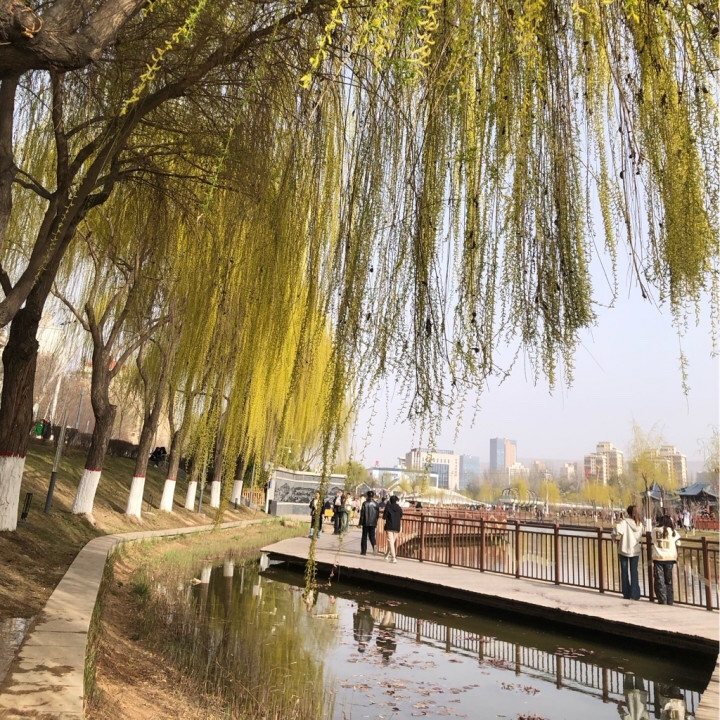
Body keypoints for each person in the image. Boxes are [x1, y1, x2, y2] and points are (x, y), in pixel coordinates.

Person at [615, 505, 644, 600]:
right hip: (635, 550)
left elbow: (616, 530)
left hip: (624, 549)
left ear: (628, 513)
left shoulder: (625, 522)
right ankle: (635, 594)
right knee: (634, 571)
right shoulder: (639, 524)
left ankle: (626, 593)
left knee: (624, 571)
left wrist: (614, 538)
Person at [651, 514, 681, 605]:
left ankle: (662, 600)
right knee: (668, 580)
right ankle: (670, 600)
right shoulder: (672, 531)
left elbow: (652, 539)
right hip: (670, 557)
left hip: (658, 557)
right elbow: (678, 542)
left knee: (659, 580)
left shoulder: (655, 530)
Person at [383, 494, 403, 563]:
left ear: (390, 501)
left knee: (391, 542)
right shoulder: (399, 508)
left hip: (389, 526)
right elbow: (401, 516)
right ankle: (386, 555)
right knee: (392, 542)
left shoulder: (388, 507)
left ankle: (393, 558)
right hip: (397, 527)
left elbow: (384, 517)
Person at [359, 490, 379, 555]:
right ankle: (374, 546)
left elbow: (362, 514)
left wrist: (360, 523)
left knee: (364, 536)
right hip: (373, 522)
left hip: (365, 522)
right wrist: (376, 521)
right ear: (373, 496)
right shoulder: (376, 504)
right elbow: (377, 515)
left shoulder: (365, 503)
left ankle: (363, 551)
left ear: (367, 496)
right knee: (372, 536)